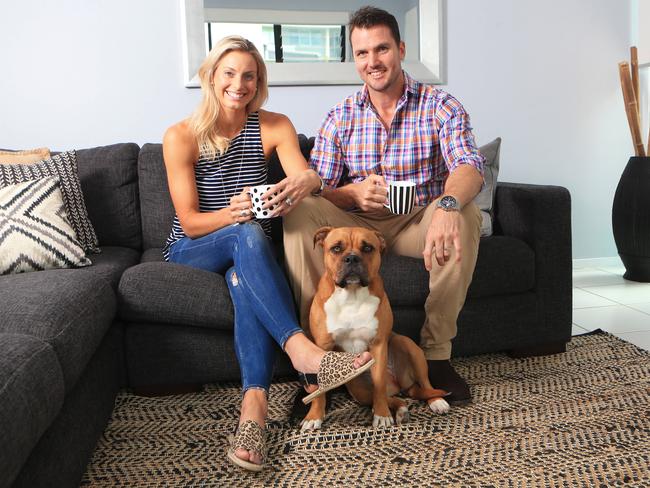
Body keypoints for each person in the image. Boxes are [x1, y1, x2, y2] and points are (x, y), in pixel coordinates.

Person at [162, 35, 374, 472]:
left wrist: (305, 183)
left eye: (249, 76)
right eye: (229, 73)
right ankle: (303, 352)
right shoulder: (181, 136)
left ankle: (253, 411)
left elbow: (305, 179)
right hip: (195, 246)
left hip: (249, 250)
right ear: (211, 76)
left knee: (244, 277)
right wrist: (231, 212)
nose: (239, 84)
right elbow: (188, 221)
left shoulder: (274, 125)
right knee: (246, 233)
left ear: (259, 83)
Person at [283, 7, 484, 405]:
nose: (372, 62)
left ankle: (435, 355)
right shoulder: (339, 116)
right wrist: (352, 193)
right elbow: (319, 186)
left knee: (465, 214)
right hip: (354, 221)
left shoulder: (440, 105)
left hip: (414, 221)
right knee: (300, 211)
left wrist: (447, 204)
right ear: (354, 59)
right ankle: (318, 358)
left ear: (400, 48)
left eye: (382, 49)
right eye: (362, 53)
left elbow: (470, 168)